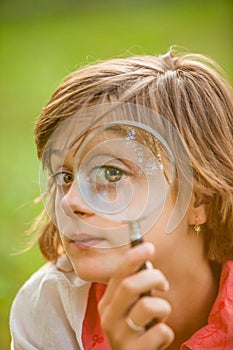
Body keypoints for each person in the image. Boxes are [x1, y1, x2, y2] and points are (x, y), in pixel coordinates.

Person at [10, 47, 233, 350]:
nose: (69, 202)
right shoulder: (48, 308)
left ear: (199, 200)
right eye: (64, 176)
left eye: (112, 174)